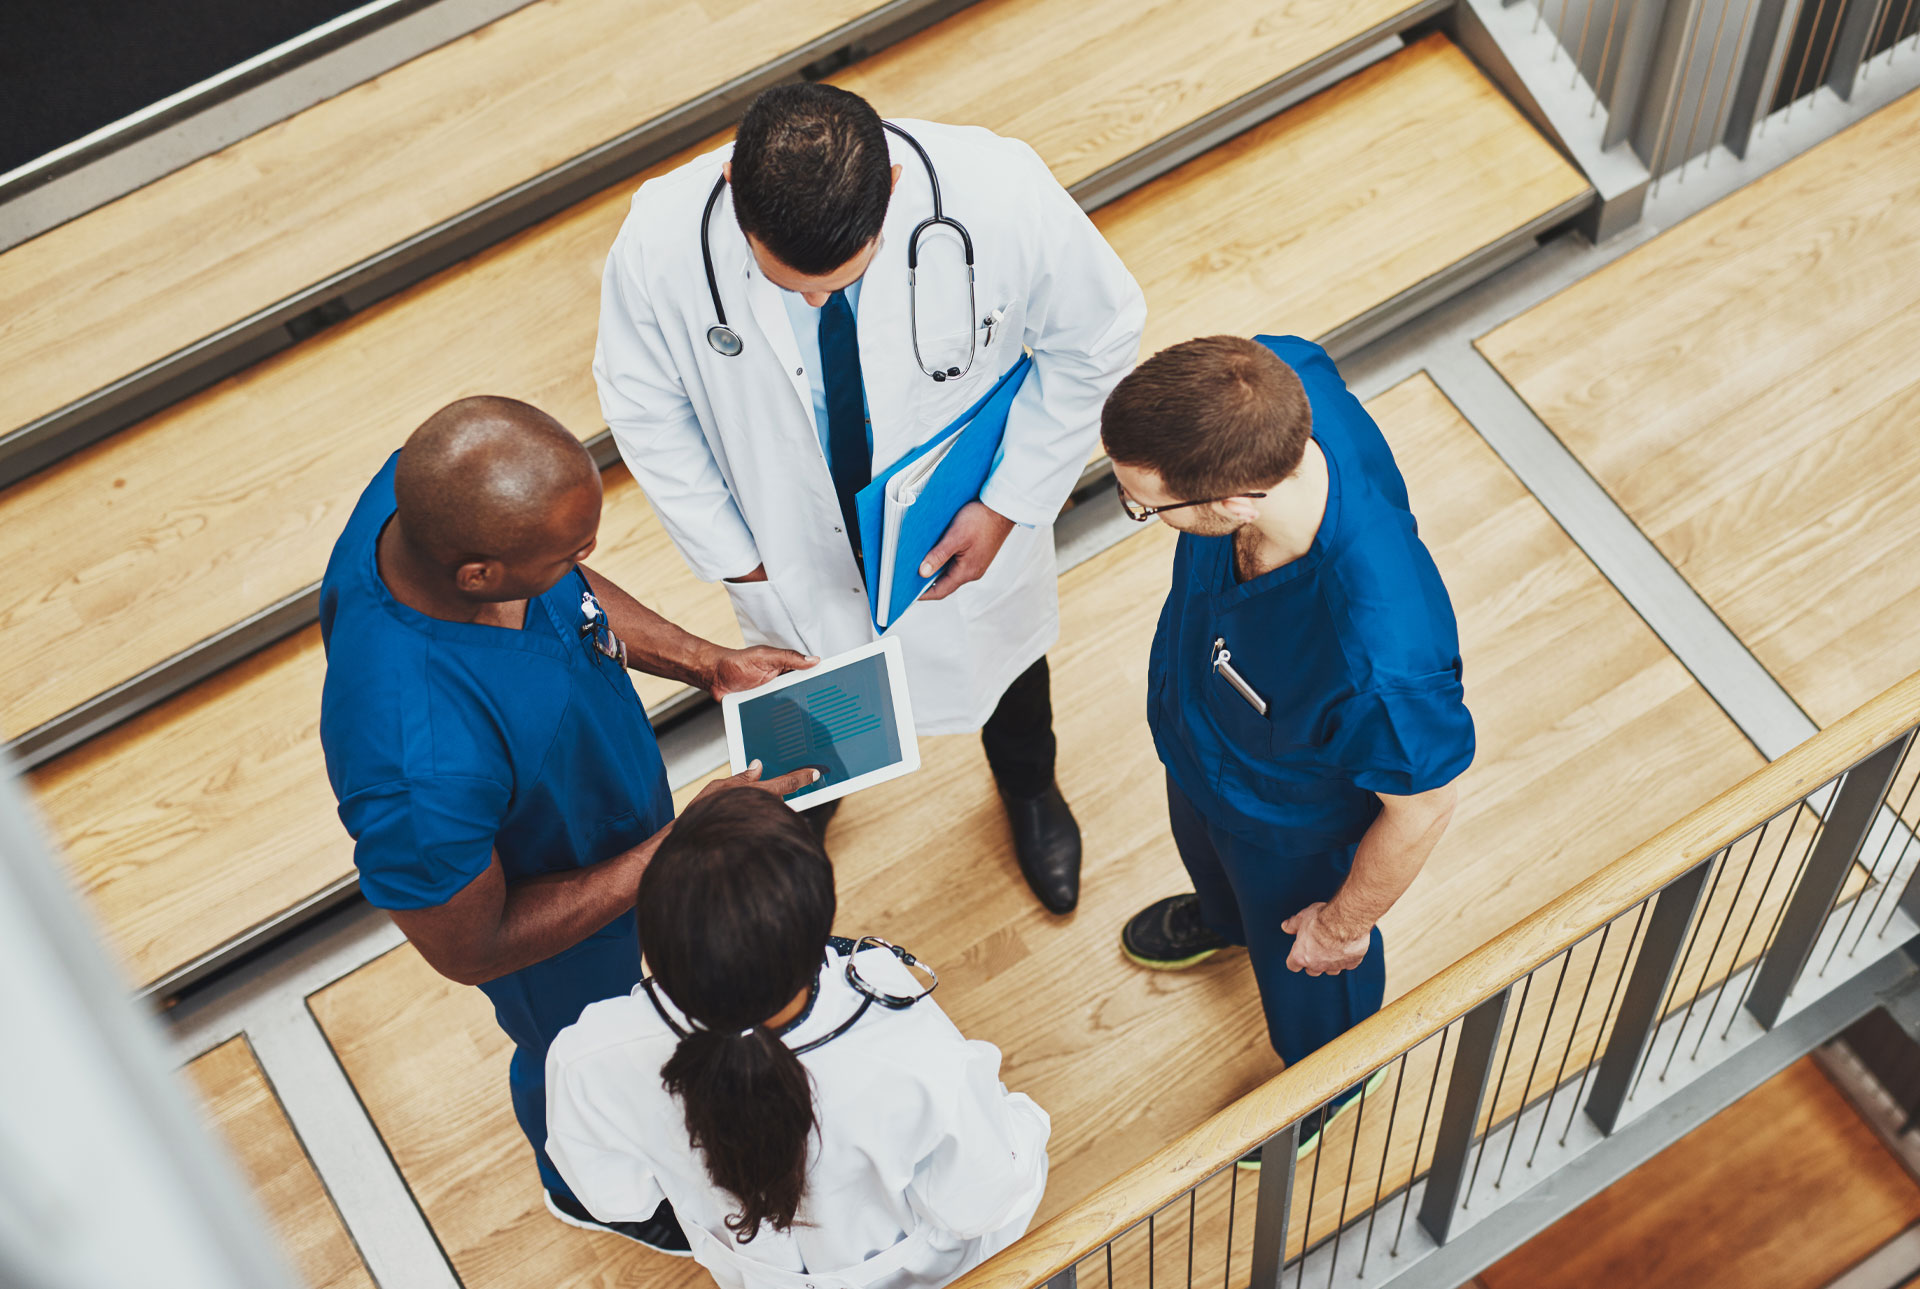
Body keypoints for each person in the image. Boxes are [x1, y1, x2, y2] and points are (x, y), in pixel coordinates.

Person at [594, 81, 1146, 914]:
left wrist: (1008, 500)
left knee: (1008, 669)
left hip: (965, 526)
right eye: (788, 284)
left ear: (890, 188)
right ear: (734, 193)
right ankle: (810, 807)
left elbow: (1098, 340)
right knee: (808, 696)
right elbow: (641, 405)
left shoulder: (998, 189)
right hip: (785, 544)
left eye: (837, 281)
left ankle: (1031, 790)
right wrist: (737, 560)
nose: (815, 301)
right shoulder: (660, 239)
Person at [317, 396, 819, 1253]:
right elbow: (470, 946)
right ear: (478, 573)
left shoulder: (424, 499)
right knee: (583, 1055)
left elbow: (567, 601)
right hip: (556, 934)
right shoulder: (413, 758)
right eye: (569, 551)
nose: (586, 561)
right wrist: (680, 846)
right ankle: (586, 1191)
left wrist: (711, 664)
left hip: (620, 827)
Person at [1105, 336, 1473, 1161]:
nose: (1136, 514)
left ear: (1234, 503)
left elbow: (1425, 807)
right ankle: (1225, 919)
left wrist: (1344, 924)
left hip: (1292, 826)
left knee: (1308, 977)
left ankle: (1335, 1074)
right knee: (1208, 860)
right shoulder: (1270, 374)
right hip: (1201, 745)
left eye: (1145, 506)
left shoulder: (1384, 651)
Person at [546, 788, 1050, 1288]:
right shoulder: (905, 1041)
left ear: (652, 946)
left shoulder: (589, 1055)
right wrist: (1027, 1122)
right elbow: (982, 1198)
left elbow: (615, 1198)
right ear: (820, 930)